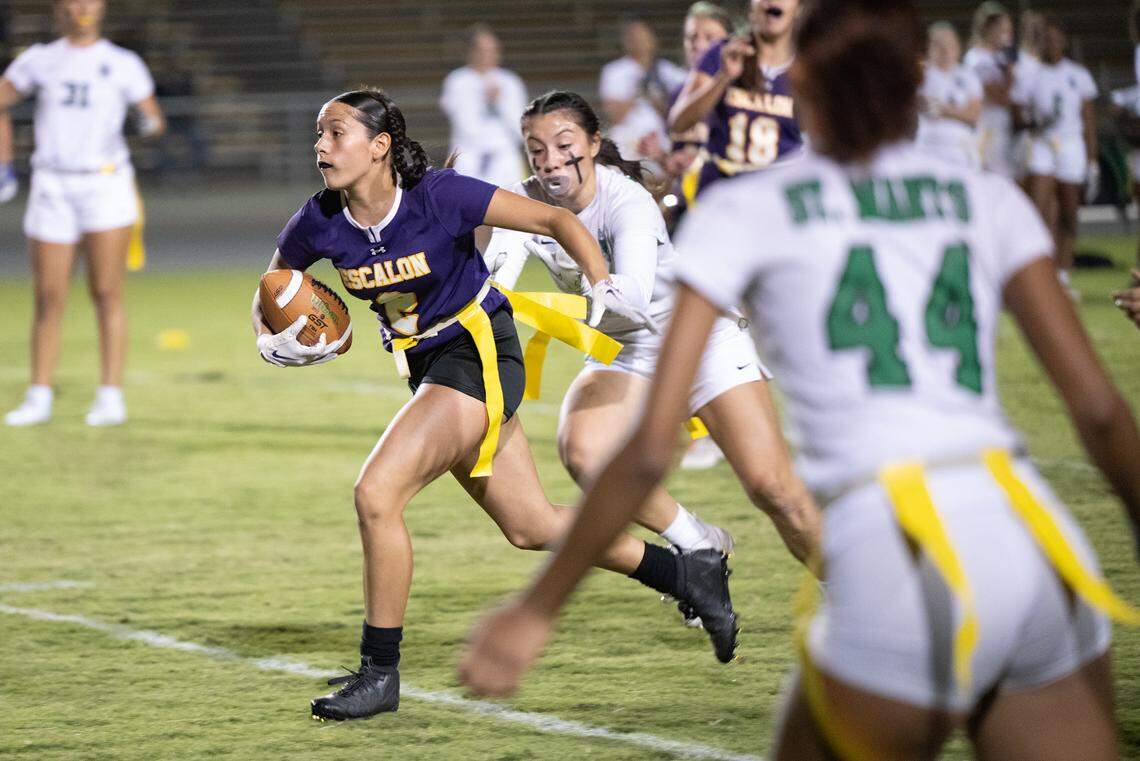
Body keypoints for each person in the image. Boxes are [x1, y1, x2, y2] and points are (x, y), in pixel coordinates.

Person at [458, 3, 1140, 760]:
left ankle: (713, 555)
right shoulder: (987, 197)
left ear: (801, 87)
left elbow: (652, 447)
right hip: (1028, 542)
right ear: (919, 86)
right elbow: (1103, 412)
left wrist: (535, 608)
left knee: (778, 494)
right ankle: (701, 546)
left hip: (892, 551)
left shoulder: (747, 210)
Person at [253, 88, 740, 722]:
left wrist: (604, 285)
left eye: (336, 133)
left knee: (376, 493)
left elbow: (558, 221)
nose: (321, 146)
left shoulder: (437, 195)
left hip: (479, 354)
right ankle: (685, 576)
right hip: (427, 366)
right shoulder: (318, 219)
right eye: (318, 134)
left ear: (379, 148)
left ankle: (379, 673)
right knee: (530, 526)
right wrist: (276, 337)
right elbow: (273, 284)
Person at [483, 90, 821, 587]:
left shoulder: (626, 200)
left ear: (594, 143)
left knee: (775, 491)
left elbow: (634, 297)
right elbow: (500, 273)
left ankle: (853, 596)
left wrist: (569, 302)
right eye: (536, 149)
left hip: (700, 340)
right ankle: (698, 541)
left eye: (563, 144)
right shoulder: (526, 200)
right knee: (585, 453)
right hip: (627, 352)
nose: (550, 161)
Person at [0, 0, 165, 427]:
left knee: (107, 293)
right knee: (48, 297)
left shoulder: (122, 63)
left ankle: (110, 396)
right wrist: (4, 164)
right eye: (73, 1)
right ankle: (39, 395)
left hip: (105, 185)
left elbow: (154, 119)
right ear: (59, 9)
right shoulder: (40, 59)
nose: (82, 8)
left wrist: (142, 124)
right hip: (53, 185)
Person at [668, 0, 803, 201]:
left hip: (775, 196)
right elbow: (678, 123)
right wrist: (723, 77)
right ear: (751, 7)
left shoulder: (807, 68)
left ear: (798, 9)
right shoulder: (722, 52)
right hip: (722, 190)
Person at [1023, 17, 1098, 296]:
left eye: (1056, 39)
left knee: (1069, 211)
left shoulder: (1077, 74)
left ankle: (1063, 274)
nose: (1051, 44)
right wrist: (1034, 121)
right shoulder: (1031, 74)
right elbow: (1021, 114)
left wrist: (1093, 161)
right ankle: (1041, 275)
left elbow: (1088, 120)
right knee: (1039, 209)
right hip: (1042, 143)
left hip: (1070, 144)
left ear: (1063, 42)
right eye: (1047, 39)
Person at [439, 25, 527, 187]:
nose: (488, 55)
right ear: (471, 51)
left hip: (505, 160)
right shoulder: (457, 80)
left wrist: (499, 102)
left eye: (492, 49)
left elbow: (519, 126)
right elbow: (464, 124)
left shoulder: (510, 81)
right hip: (469, 159)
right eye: (482, 50)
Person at [598, 17, 686, 163]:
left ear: (653, 39)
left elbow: (678, 116)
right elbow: (615, 117)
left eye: (643, 35)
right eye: (633, 36)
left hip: (660, 139)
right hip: (627, 139)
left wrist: (653, 96)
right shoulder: (614, 71)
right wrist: (637, 91)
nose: (638, 41)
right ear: (625, 41)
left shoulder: (668, 71)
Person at [917, 22, 982, 167]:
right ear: (929, 47)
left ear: (957, 46)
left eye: (949, 44)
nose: (945, 50)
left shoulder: (968, 75)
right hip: (927, 149)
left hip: (960, 149)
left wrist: (944, 110)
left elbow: (974, 114)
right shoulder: (920, 74)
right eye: (938, 44)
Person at [964, 2, 1016, 179]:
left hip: (1002, 125)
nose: (1006, 35)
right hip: (987, 126)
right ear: (989, 28)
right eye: (1002, 29)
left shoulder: (1000, 57)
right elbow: (999, 97)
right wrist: (1009, 72)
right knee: (990, 177)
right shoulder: (976, 58)